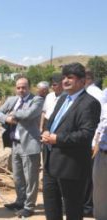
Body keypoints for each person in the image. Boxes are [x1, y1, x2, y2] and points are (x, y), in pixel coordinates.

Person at [41, 62, 101, 220]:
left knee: (73, 210)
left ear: (82, 81)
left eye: (70, 77)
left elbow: (86, 134)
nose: (65, 80)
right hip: (50, 162)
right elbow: (51, 121)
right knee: (51, 206)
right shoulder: (62, 99)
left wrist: (57, 138)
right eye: (64, 77)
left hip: (71, 166)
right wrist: (46, 130)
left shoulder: (90, 103)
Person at [0, 76, 44, 218]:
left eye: (24, 87)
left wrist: (13, 113)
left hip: (29, 144)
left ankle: (29, 206)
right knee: (17, 177)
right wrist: (6, 118)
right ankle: (20, 201)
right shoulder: (12, 100)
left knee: (31, 178)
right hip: (15, 144)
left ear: (29, 87)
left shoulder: (37, 100)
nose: (21, 90)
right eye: (18, 87)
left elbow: (28, 114)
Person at [82, 69, 103, 217]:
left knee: (90, 176)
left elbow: (99, 121)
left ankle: (88, 206)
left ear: (87, 79)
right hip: (95, 140)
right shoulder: (98, 92)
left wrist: (94, 142)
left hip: (94, 142)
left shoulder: (93, 93)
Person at [92, 88, 107, 219]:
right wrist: (95, 143)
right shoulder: (105, 94)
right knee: (99, 194)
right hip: (102, 153)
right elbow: (101, 123)